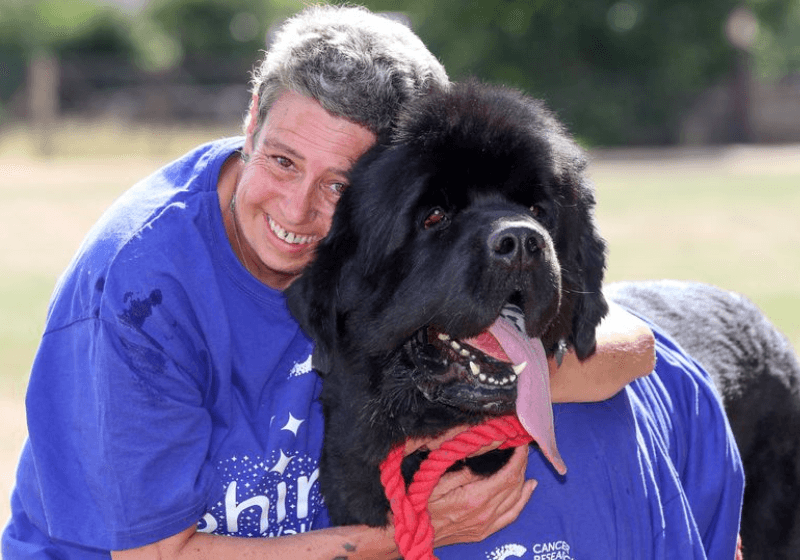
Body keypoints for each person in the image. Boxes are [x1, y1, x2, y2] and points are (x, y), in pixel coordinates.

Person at [1, 5, 742, 560]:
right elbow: (158, 556)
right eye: (283, 161)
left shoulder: (375, 257)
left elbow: (622, 348)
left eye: (337, 184)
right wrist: (402, 535)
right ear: (252, 117)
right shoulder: (138, 291)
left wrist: (578, 355)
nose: (294, 210)